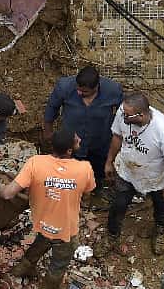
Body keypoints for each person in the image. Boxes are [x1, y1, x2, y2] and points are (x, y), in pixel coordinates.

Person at [0, 129, 96, 289]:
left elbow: (8, 194)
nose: (79, 139)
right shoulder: (84, 169)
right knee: (58, 264)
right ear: (69, 151)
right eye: (76, 140)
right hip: (65, 228)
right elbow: (87, 193)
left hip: (41, 221)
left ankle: (21, 270)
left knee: (42, 240)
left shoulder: (35, 163)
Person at [105, 92, 164, 255]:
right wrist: (109, 161)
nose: (123, 116)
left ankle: (159, 230)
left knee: (161, 206)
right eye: (123, 112)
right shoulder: (123, 112)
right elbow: (117, 136)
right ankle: (112, 235)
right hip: (127, 171)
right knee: (118, 204)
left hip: (155, 177)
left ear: (141, 114)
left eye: (127, 115)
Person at [42, 66, 123, 197]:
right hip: (72, 139)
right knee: (71, 170)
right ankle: (73, 194)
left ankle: (95, 189)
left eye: (84, 91)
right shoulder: (64, 86)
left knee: (97, 168)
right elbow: (52, 108)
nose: (79, 93)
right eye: (78, 89)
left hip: (100, 139)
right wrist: (48, 131)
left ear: (96, 87)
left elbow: (122, 116)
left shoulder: (113, 91)